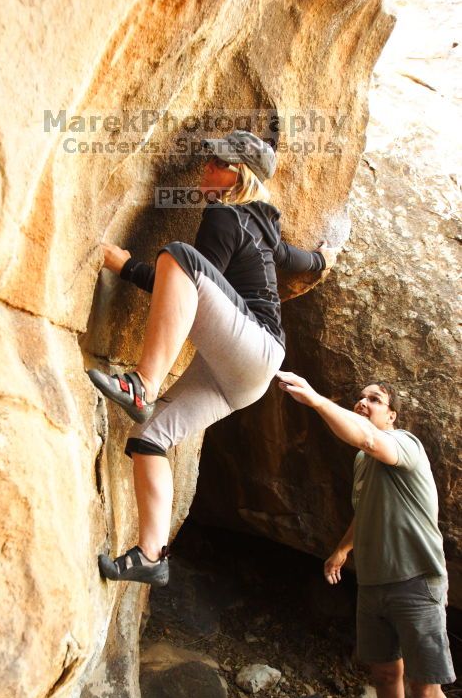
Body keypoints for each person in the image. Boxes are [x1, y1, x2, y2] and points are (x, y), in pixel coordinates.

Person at [87, 130, 331, 588]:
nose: (205, 169)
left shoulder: (223, 216)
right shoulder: (264, 224)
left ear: (234, 174)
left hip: (251, 346)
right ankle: (151, 555)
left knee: (180, 256)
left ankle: (142, 382)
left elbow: (187, 282)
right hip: (243, 374)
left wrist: (123, 265)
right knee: (149, 439)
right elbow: (292, 258)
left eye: (214, 163)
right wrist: (322, 260)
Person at [277, 371, 458, 698]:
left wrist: (319, 400)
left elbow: (368, 440)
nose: (364, 402)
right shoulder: (363, 463)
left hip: (416, 583)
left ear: (391, 415)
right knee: (383, 672)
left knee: (425, 689)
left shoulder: (404, 445)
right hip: (374, 584)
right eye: (360, 397)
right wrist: (343, 549)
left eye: (374, 399)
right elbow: (365, 512)